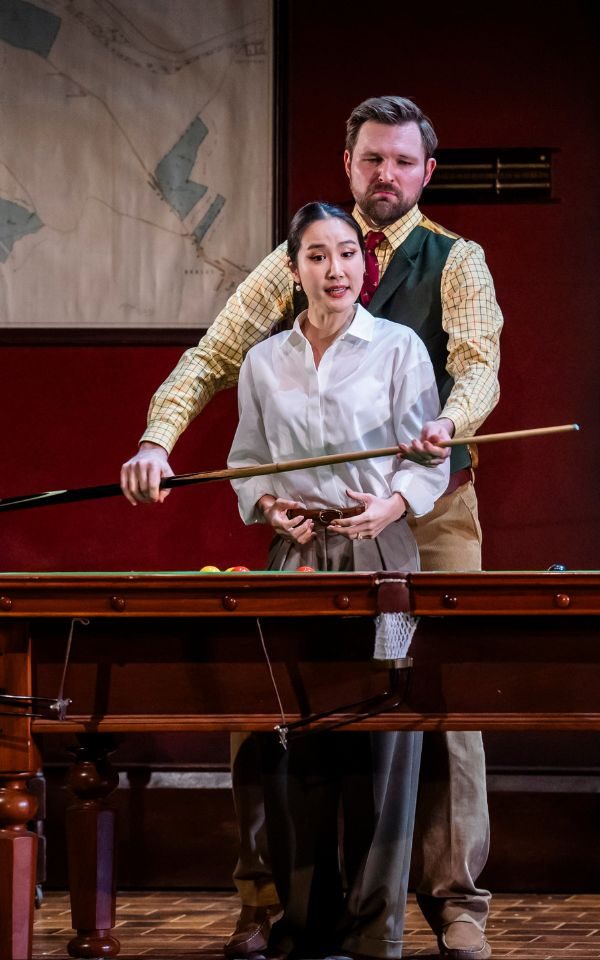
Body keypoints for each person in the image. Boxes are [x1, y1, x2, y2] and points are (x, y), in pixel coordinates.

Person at [121, 95, 502, 960]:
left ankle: (455, 902)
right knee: (273, 700)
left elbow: (479, 366)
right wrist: (157, 439)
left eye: (401, 161)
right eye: (372, 159)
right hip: (315, 525)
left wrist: (448, 424)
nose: (386, 174)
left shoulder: (456, 259)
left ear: (426, 171)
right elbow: (216, 356)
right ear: (349, 164)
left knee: (443, 702)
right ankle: (269, 899)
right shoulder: (300, 254)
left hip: (428, 505)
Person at [227, 200, 449, 960]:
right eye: (317, 256)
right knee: (297, 737)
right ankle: (305, 924)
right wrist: (268, 506)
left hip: (382, 557)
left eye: (348, 254)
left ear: (366, 264)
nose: (336, 269)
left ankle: (375, 930)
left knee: (385, 742)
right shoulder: (264, 362)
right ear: (295, 270)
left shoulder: (398, 348)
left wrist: (392, 503)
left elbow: (427, 460)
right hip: (297, 561)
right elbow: (247, 461)